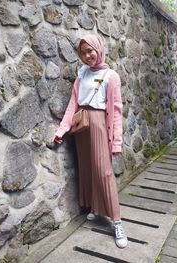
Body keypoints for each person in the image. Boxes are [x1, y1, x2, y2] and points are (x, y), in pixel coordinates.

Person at [53, 34, 127, 248]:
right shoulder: (81, 75)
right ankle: (95, 208)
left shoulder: (111, 76)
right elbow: (72, 105)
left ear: (98, 49)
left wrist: (116, 142)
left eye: (90, 51)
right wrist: (62, 129)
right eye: (83, 53)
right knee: (87, 169)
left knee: (103, 172)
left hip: (99, 124)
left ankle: (117, 221)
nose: (87, 56)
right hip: (82, 126)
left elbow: (115, 112)